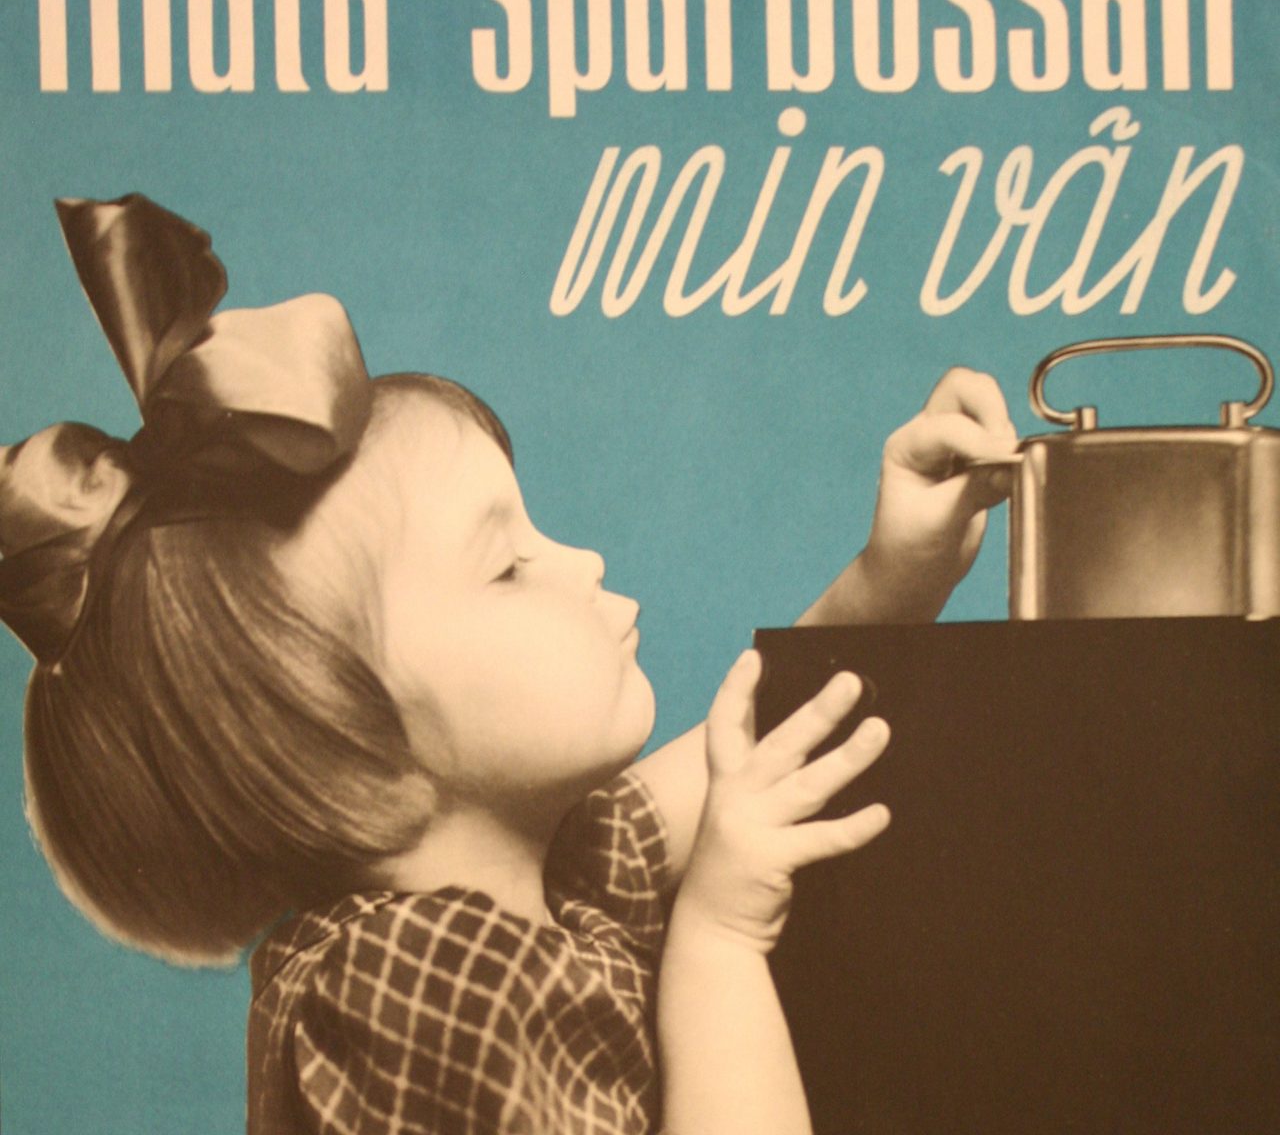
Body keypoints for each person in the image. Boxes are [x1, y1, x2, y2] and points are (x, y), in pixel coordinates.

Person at [0, 195, 1016, 1135]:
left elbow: (743, 751)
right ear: (351, 744)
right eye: (507, 563)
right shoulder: (428, 986)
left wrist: (894, 574)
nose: (580, 563)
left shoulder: (515, 883)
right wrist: (718, 938)